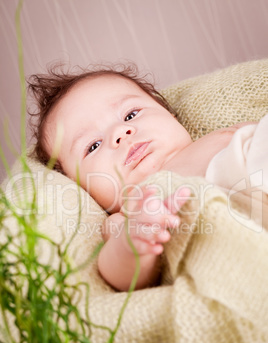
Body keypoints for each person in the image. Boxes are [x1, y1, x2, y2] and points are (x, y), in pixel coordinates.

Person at [28, 63, 267, 292]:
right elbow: (122, 275)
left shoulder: (224, 136)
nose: (120, 133)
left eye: (131, 115)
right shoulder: (130, 215)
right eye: (93, 146)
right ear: (82, 189)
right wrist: (134, 243)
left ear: (170, 114)